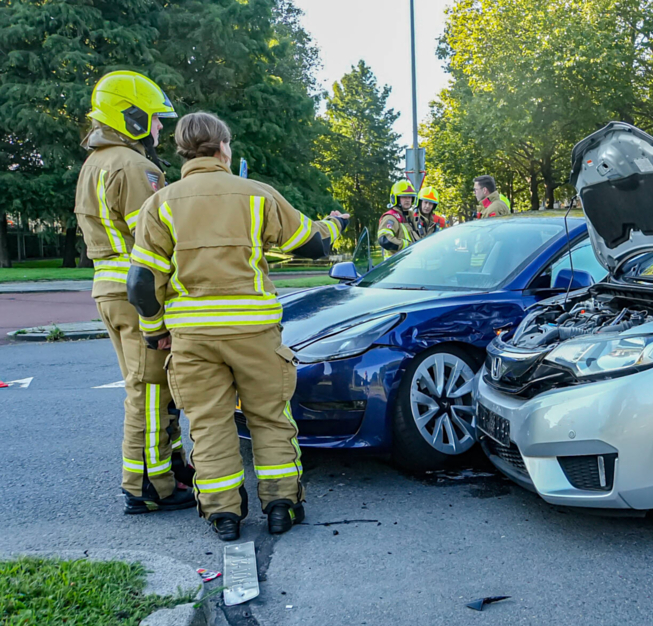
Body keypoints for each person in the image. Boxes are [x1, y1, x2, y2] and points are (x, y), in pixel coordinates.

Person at [126, 112, 346, 541]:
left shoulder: (160, 203)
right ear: (223, 147)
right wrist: (335, 225)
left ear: (183, 150)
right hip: (255, 333)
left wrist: (155, 330)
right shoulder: (256, 195)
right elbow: (313, 242)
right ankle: (283, 503)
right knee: (269, 417)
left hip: (193, 337)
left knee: (208, 424)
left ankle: (222, 513)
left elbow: (141, 283)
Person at [73, 70, 196, 514]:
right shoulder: (133, 164)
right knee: (147, 389)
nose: (161, 127)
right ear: (131, 116)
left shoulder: (96, 162)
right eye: (155, 119)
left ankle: (172, 465)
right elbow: (157, 235)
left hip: (109, 289)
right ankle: (149, 485)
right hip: (135, 292)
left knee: (154, 386)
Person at [378, 180, 418, 256]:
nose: (407, 200)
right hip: (396, 264)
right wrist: (408, 245)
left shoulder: (410, 216)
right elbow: (385, 240)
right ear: (395, 198)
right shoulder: (390, 217)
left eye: (409, 197)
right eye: (403, 197)